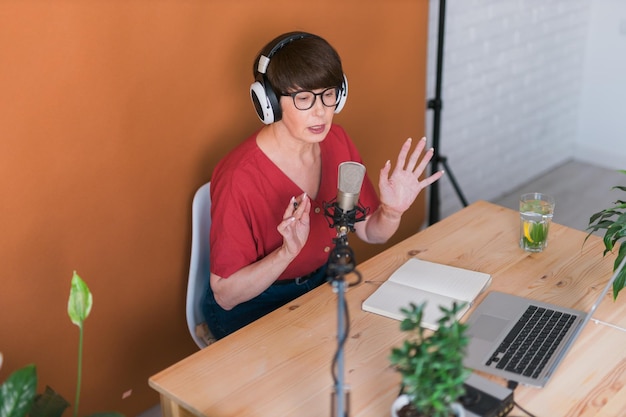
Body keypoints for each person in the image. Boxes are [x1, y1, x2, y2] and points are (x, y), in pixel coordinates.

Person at [204, 31, 444, 339]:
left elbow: (370, 231)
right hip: (253, 308)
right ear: (270, 103)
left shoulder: (338, 143)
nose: (320, 111)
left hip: (318, 287)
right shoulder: (239, 177)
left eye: (328, 94)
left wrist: (392, 211)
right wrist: (285, 253)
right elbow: (226, 295)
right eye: (304, 99)